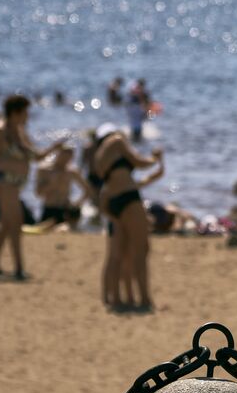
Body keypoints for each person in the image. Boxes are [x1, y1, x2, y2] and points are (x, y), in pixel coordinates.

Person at [0, 95, 62, 280]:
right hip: (4, 183)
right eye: (25, 111)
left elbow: (37, 156)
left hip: (15, 185)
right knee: (16, 223)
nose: (28, 115)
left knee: (6, 225)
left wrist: (54, 148)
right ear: (16, 112)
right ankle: (18, 268)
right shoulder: (1, 130)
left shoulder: (19, 131)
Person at [90, 123, 163, 311]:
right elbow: (138, 162)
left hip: (113, 202)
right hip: (129, 198)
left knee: (117, 256)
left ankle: (116, 300)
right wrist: (154, 159)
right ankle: (145, 299)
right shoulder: (117, 140)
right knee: (141, 250)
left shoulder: (98, 158)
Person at [36, 145, 92, 228]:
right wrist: (52, 183)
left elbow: (88, 190)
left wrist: (77, 203)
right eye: (64, 156)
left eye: (68, 157)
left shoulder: (71, 171)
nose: (65, 160)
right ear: (58, 154)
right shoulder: (45, 170)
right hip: (49, 207)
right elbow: (38, 193)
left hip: (65, 209)